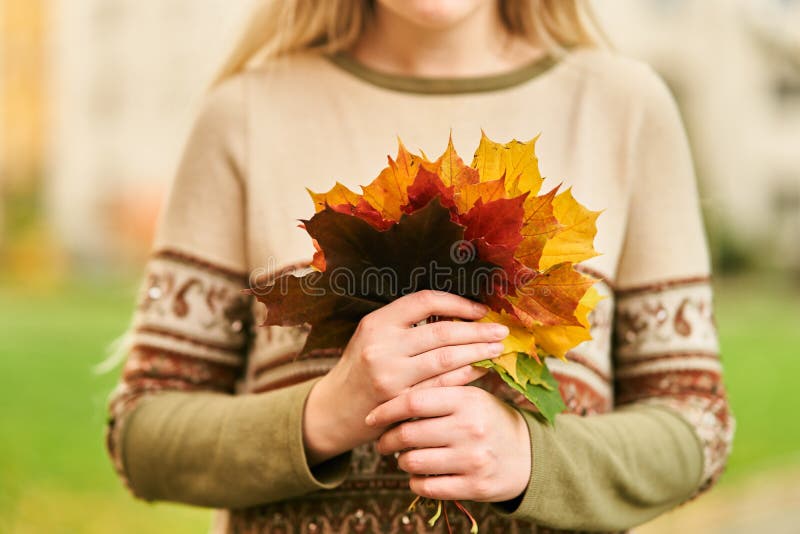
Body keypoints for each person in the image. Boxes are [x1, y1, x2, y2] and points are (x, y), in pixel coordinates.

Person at [104, 1, 735, 532]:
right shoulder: (243, 114)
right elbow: (143, 434)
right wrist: (324, 414)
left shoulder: (623, 107)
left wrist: (530, 457)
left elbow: (698, 426)